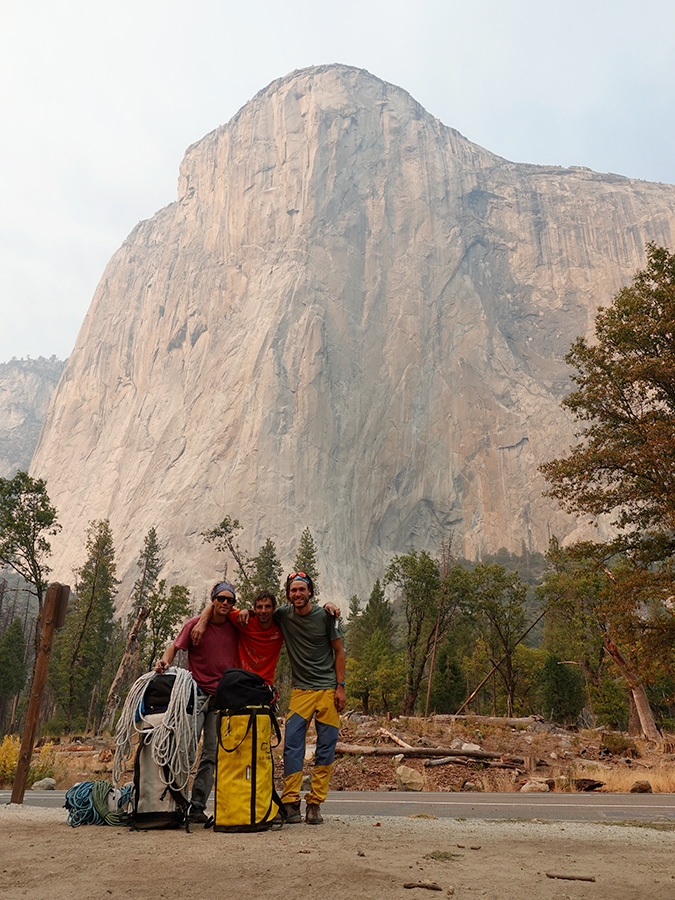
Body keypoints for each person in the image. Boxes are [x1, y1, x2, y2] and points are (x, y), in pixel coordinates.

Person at [154, 580, 238, 823]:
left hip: (221, 698)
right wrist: (164, 662)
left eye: (229, 600)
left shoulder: (234, 625)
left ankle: (198, 807)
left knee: (211, 753)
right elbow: (175, 647)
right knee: (186, 749)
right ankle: (176, 804)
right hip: (195, 693)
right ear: (212, 600)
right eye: (220, 599)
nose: (224, 603)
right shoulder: (194, 625)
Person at [275, 571, 345, 825]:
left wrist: (341, 687)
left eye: (301, 590)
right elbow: (260, 616)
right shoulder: (282, 615)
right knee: (292, 745)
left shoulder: (326, 617)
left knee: (326, 747)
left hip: (327, 689)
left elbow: (339, 652)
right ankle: (291, 802)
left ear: (310, 592)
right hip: (301, 691)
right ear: (288, 594)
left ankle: (315, 803)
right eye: (293, 590)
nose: (297, 594)